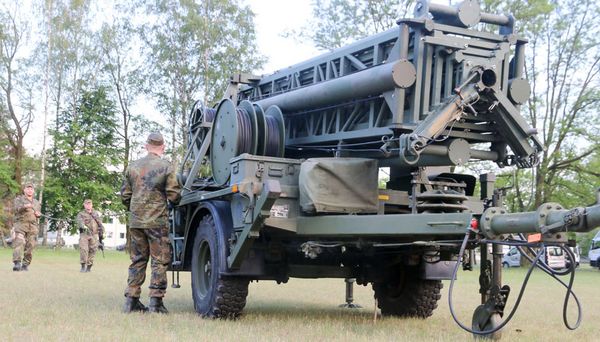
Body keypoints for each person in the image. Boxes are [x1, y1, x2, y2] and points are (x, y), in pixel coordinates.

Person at [121, 132, 180, 314]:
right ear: (162, 147)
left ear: (146, 146)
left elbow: (125, 196)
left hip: (136, 222)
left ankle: (131, 301)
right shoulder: (167, 167)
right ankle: (155, 303)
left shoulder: (132, 167)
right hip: (157, 222)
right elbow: (174, 195)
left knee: (137, 260)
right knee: (159, 261)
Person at [12, 183, 41, 271]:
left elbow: (38, 214)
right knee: (19, 243)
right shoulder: (19, 199)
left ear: (33, 191)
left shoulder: (36, 202)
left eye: (31, 189)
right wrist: (24, 206)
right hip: (21, 224)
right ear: (24, 190)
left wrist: (38, 214)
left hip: (32, 226)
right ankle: (17, 263)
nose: (29, 190)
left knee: (31, 245)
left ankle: (25, 264)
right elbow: (16, 209)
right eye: (27, 188)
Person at [76, 199, 104, 273]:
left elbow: (100, 223)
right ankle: (83, 266)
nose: (88, 205)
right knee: (84, 250)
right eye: (87, 204)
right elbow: (79, 221)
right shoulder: (81, 214)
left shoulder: (96, 214)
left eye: (89, 204)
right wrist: (82, 226)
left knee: (93, 250)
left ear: (92, 205)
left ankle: (89, 267)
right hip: (84, 234)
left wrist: (102, 233)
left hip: (94, 235)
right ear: (84, 205)